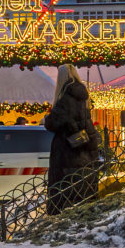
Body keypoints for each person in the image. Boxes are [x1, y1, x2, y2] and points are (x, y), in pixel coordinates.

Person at [42, 64, 101, 215]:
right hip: (83, 158)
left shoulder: (66, 99)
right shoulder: (82, 98)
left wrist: (46, 118)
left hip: (67, 158)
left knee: (64, 198)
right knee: (80, 200)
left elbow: (51, 123)